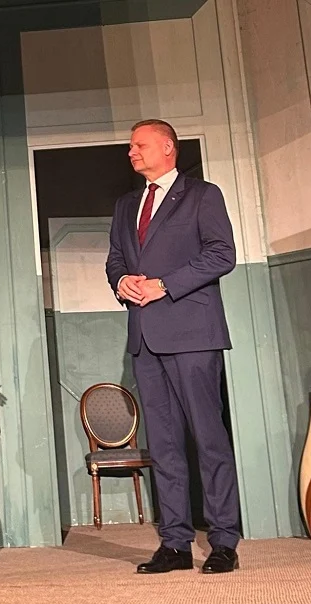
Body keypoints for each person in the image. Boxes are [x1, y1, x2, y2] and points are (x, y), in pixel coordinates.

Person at [105, 119, 241, 575]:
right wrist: (122, 282)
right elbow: (116, 259)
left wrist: (164, 285)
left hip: (193, 335)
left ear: (167, 147)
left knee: (208, 438)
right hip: (145, 338)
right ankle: (176, 543)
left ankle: (223, 541)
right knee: (163, 445)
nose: (131, 152)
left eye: (139, 145)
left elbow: (222, 254)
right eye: (130, 147)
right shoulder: (126, 205)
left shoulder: (202, 195)